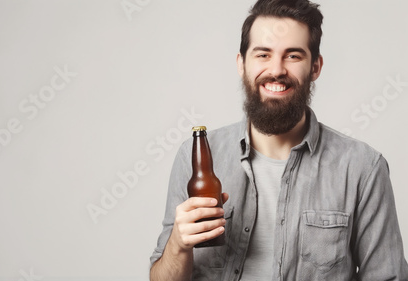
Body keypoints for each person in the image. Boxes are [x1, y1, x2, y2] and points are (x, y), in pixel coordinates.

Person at [149, 0, 408, 280]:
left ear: (315, 67)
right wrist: (178, 244)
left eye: (293, 56)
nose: (276, 70)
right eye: (263, 54)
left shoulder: (363, 167)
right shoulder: (195, 156)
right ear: (242, 64)